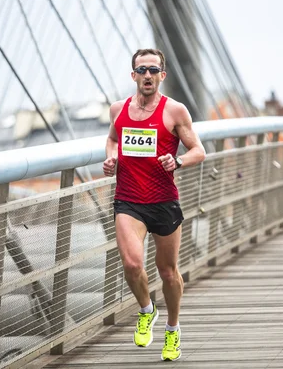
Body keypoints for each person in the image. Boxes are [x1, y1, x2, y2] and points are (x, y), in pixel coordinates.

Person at [103, 48, 206, 361]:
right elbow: (112, 139)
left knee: (168, 272)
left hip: (163, 201)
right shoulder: (117, 109)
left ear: (163, 75)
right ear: (133, 75)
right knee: (132, 264)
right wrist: (111, 157)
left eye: (153, 70)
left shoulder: (175, 111)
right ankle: (146, 310)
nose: (147, 76)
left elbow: (199, 150)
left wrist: (177, 160)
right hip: (128, 199)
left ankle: (173, 330)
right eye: (141, 70)